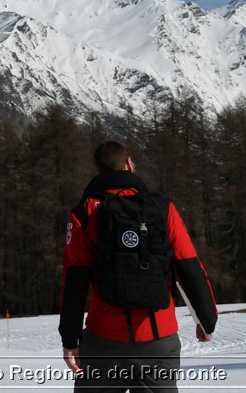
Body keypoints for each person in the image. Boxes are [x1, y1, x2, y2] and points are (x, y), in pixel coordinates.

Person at [59, 141, 218, 393]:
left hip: (104, 341)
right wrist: (207, 320)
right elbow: (190, 266)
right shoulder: (163, 208)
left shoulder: (84, 213)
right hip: (159, 340)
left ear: (98, 170)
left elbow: (74, 281)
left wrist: (69, 339)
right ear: (130, 165)